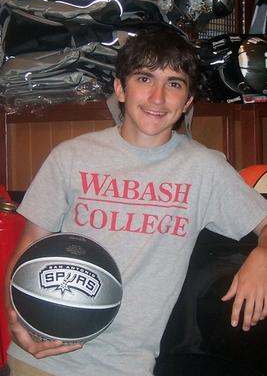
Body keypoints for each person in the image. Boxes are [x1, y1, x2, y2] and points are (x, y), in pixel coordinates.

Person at [5, 26, 267, 376]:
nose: (157, 98)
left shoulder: (204, 169)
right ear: (120, 88)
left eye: (173, 83)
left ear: (188, 101)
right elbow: (28, 249)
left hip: (125, 366)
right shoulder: (70, 157)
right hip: (43, 356)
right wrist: (15, 319)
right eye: (145, 78)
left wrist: (263, 255)